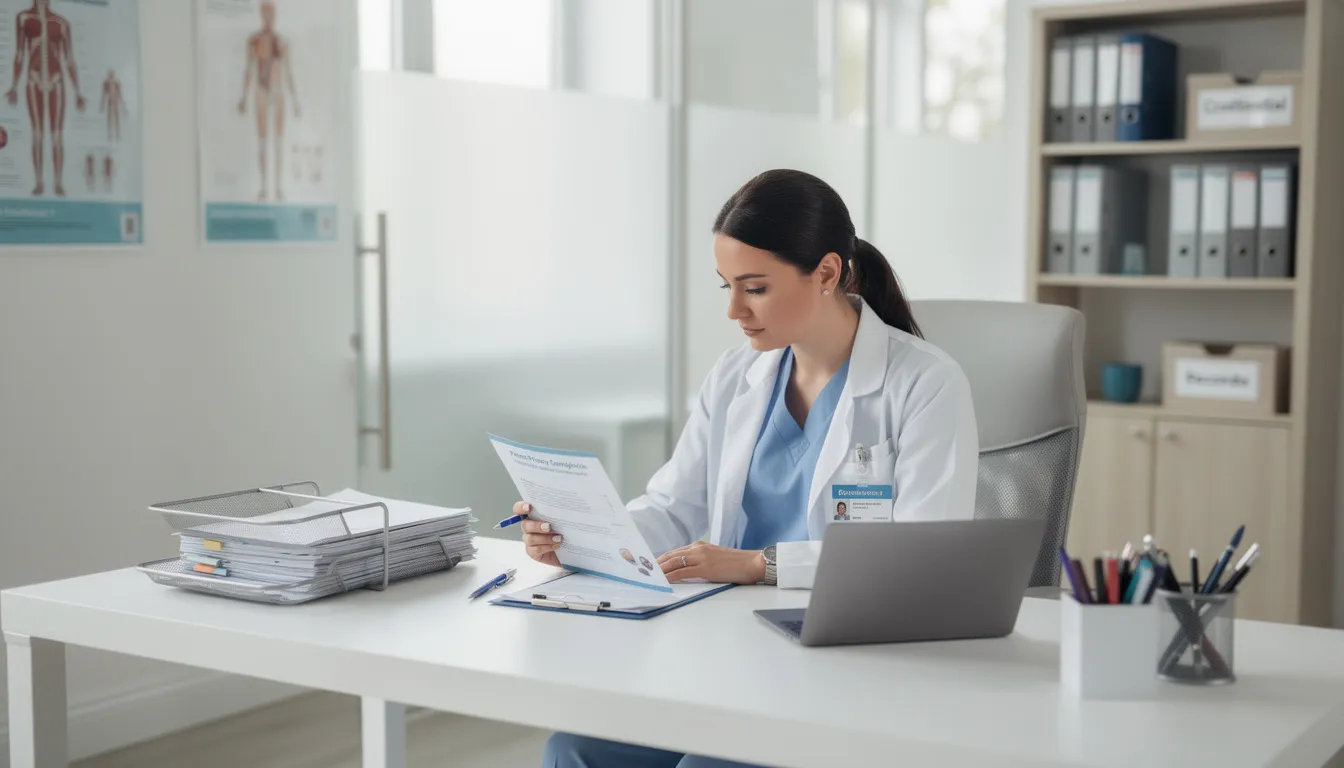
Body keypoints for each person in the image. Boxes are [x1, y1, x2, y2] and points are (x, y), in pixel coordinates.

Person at [516, 169, 979, 768]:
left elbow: (923, 562)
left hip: (845, 663)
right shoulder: (738, 375)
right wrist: (577, 538)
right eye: (726, 286)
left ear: (828, 273)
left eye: (754, 288)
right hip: (724, 652)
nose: (734, 309)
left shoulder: (924, 384)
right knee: (573, 750)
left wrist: (759, 565)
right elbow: (672, 508)